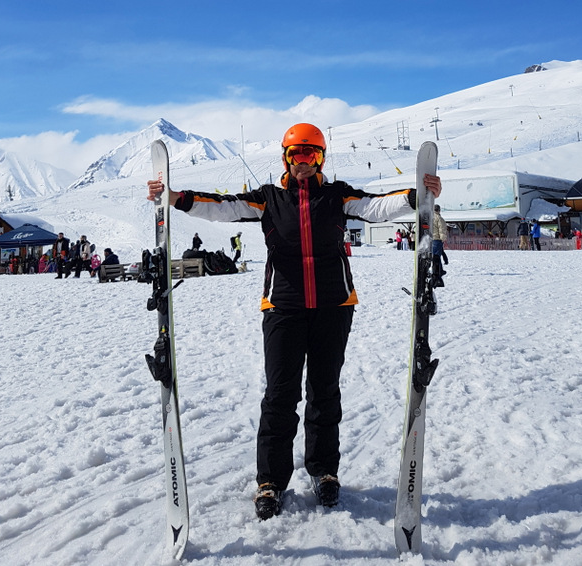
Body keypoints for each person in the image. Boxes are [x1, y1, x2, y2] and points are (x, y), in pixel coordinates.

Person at [147, 122, 441, 520]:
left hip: (334, 306)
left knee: (325, 391)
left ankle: (324, 471)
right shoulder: (269, 199)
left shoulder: (337, 195)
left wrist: (417, 195)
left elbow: (375, 206)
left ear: (321, 159)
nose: (304, 162)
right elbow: (222, 206)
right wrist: (175, 198)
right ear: (285, 158)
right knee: (280, 395)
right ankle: (270, 480)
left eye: (311, 154)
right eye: (296, 154)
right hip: (283, 308)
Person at [432, 204, 448, 286]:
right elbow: (442, 229)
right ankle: (437, 272)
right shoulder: (439, 218)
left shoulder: (429, 217)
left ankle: (439, 270)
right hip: (437, 239)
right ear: (439, 210)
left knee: (434, 256)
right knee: (437, 257)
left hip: (430, 239)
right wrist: (443, 238)